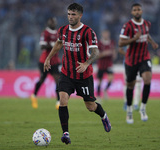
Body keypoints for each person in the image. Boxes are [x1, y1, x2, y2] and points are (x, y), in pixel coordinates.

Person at [44, 3, 111, 145]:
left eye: (73, 14)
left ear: (80, 15)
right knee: (63, 100)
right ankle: (65, 134)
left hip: (83, 75)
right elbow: (58, 44)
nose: (70, 17)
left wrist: (86, 63)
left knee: (90, 106)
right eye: (68, 14)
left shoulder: (88, 32)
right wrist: (48, 58)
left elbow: (95, 52)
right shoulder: (62, 30)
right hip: (67, 73)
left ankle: (103, 115)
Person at [118, 3, 159, 124]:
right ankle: (129, 111)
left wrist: (152, 42)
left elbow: (146, 34)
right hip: (131, 59)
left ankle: (143, 108)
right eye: (135, 10)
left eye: (139, 10)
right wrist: (134, 39)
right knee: (130, 85)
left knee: (147, 80)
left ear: (142, 11)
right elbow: (120, 43)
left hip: (144, 57)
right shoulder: (128, 26)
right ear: (132, 12)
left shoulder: (147, 23)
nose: (137, 11)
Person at [31, 17, 61, 109]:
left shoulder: (58, 33)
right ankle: (34, 95)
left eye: (54, 22)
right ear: (48, 23)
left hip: (55, 60)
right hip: (45, 60)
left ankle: (58, 101)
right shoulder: (45, 32)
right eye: (51, 22)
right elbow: (42, 46)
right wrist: (52, 45)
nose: (52, 23)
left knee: (58, 80)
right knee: (42, 79)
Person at [96, 30, 117, 101]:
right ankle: (98, 96)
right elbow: (96, 55)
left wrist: (114, 54)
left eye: (107, 34)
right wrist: (104, 53)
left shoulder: (112, 42)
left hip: (109, 64)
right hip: (101, 64)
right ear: (102, 34)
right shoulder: (99, 43)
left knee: (111, 79)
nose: (106, 35)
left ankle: (105, 90)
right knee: (99, 81)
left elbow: (114, 52)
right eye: (105, 34)